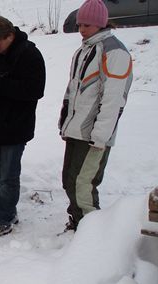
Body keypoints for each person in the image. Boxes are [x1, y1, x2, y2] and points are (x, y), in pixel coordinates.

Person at [59, 0, 133, 231]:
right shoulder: (85, 49)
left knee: (84, 183)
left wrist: (100, 136)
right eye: (80, 24)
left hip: (94, 134)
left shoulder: (114, 52)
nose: (81, 29)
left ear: (101, 24)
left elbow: (113, 99)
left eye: (87, 25)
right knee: (69, 179)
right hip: (76, 129)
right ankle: (78, 221)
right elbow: (73, 91)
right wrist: (65, 122)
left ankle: (93, 232)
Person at [0, 16, 46, 240]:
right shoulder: (2, 53)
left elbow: (35, 90)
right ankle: (6, 209)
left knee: (8, 175)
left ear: (9, 35)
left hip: (16, 126)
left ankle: (4, 217)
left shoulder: (30, 54)